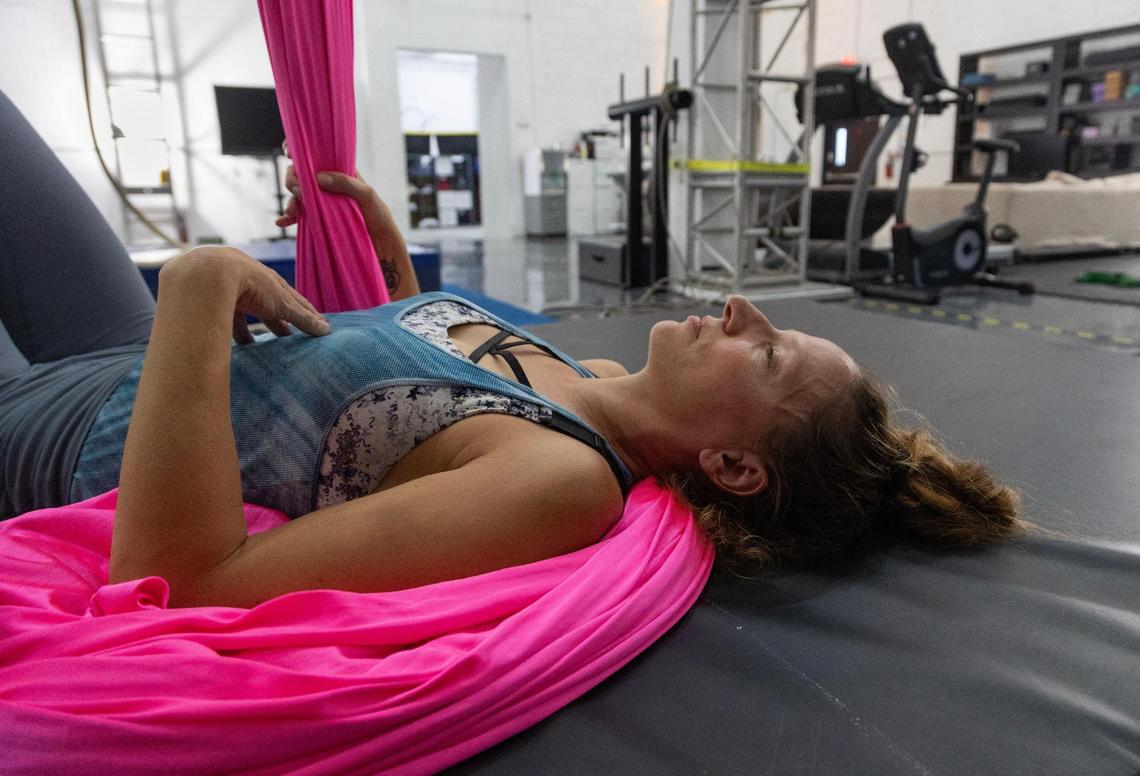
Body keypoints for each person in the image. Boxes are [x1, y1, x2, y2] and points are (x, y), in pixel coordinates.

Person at [0, 90, 1025, 609]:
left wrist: (198, 283)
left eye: (767, 355)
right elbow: (388, 419)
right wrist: (396, 281)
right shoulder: (584, 379)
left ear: (733, 462)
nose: (746, 310)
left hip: (60, 433)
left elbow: (189, 581)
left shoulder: (560, 481)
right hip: (129, 348)